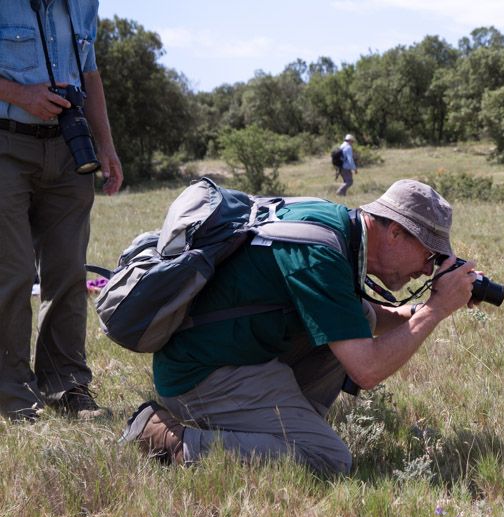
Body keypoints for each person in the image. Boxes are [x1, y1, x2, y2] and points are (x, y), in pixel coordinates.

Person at [121, 179, 478, 473]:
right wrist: (435, 310)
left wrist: (432, 306)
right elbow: (367, 370)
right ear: (396, 233)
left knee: (359, 320)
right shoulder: (320, 253)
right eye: (430, 256)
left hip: (229, 354)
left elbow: (361, 316)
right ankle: (165, 437)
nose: (428, 270)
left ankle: (279, 429)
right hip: (198, 376)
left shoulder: (336, 227)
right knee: (327, 458)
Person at [0, 0, 124, 422]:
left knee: (69, 272)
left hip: (71, 148)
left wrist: (105, 146)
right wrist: (20, 94)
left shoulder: (84, 5)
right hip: (6, 145)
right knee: (13, 272)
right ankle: (14, 394)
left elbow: (89, 75)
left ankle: (66, 384)